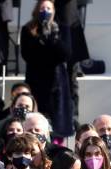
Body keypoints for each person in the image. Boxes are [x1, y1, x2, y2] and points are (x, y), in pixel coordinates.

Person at [21, 0, 73, 142]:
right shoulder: (28, 29)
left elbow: (66, 54)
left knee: (57, 123)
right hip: (36, 80)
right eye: (43, 8)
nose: (46, 11)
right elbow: (26, 54)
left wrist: (52, 39)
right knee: (37, 120)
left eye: (49, 8)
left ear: (54, 11)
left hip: (57, 84)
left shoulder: (62, 28)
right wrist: (40, 39)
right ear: (37, 10)